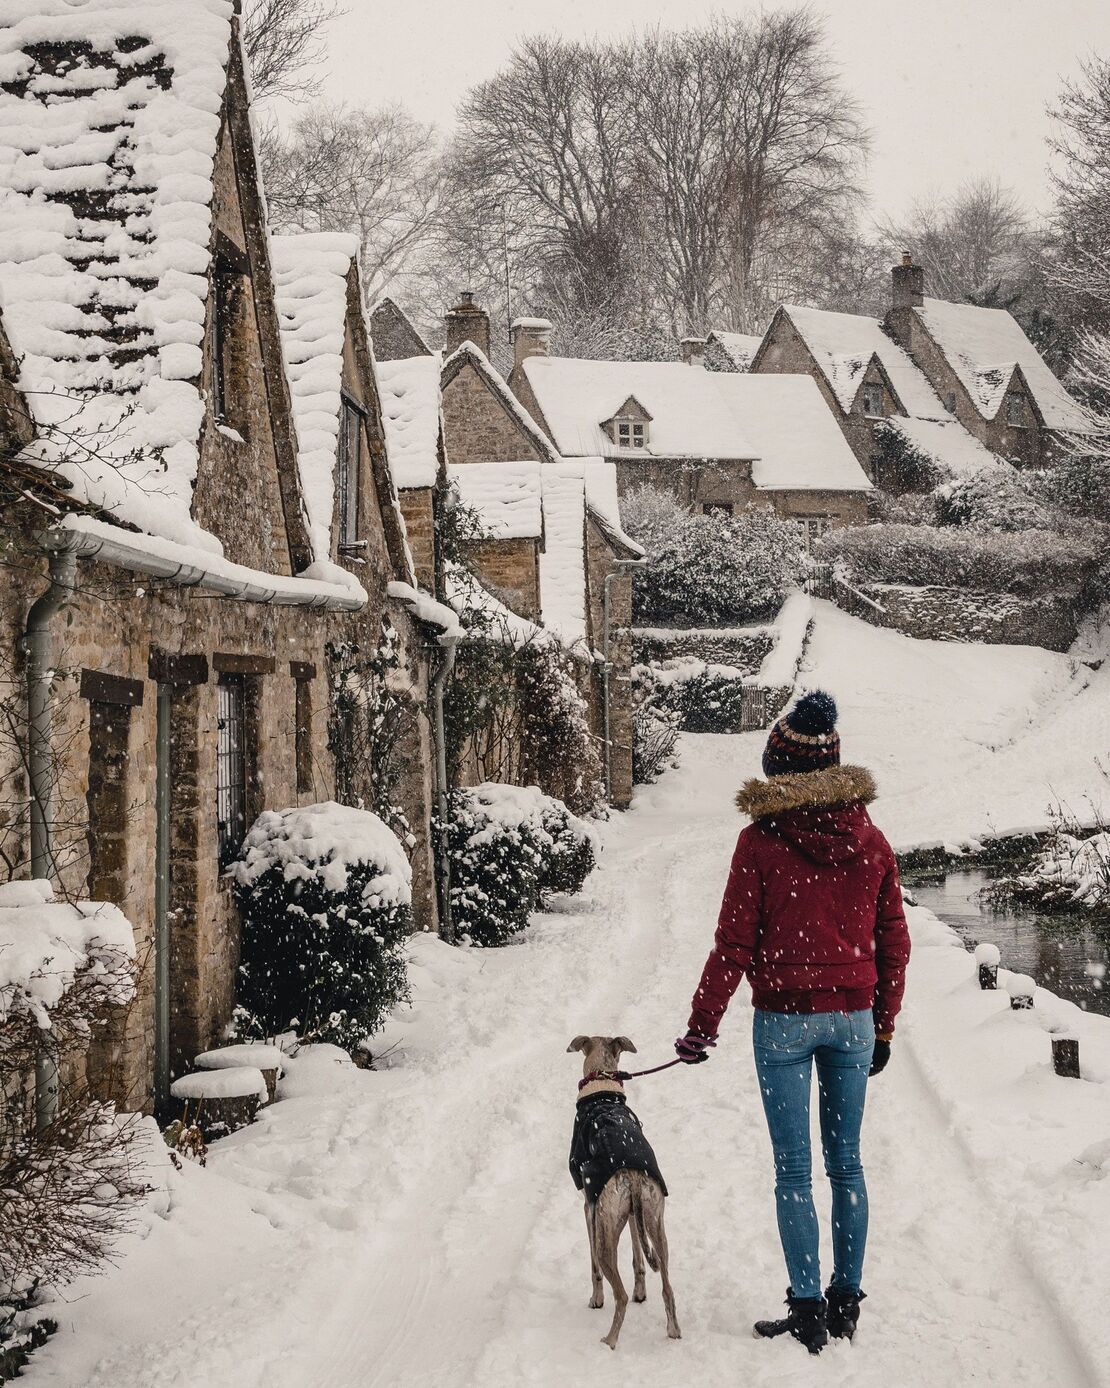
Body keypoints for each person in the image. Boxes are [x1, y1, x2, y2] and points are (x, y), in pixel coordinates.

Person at [675, 690, 910, 1355]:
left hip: (783, 1022)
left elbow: (732, 946)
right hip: (854, 1022)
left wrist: (702, 1026)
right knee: (847, 1164)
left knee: (794, 1170)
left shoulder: (760, 842)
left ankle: (807, 1307)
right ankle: (848, 1299)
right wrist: (883, 1023)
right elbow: (895, 938)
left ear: (778, 768)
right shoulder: (871, 839)